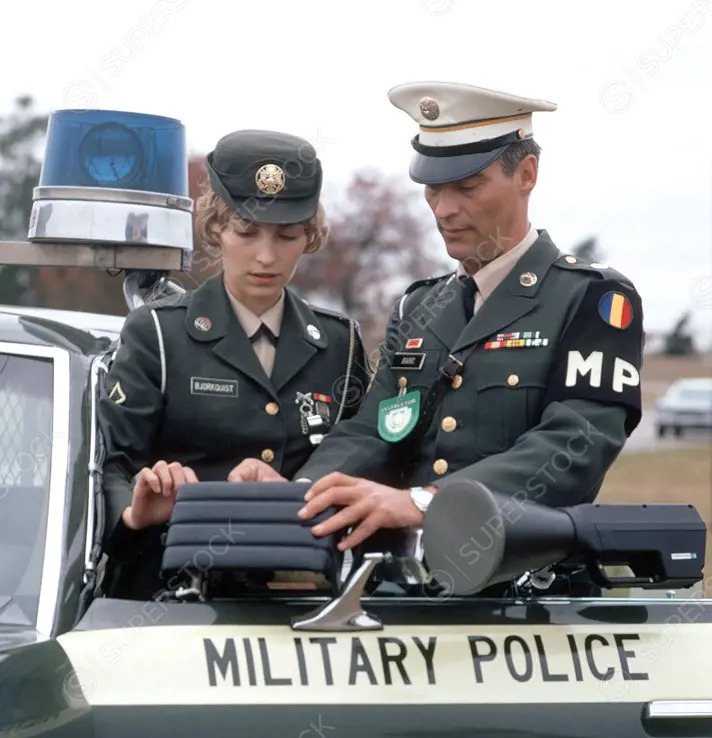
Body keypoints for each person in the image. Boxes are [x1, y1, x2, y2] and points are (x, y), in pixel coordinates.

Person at [228, 81, 644, 567]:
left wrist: (424, 500)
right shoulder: (420, 308)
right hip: (410, 586)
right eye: (433, 187)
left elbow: (574, 446)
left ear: (526, 174)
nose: (444, 209)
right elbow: (372, 432)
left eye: (467, 187)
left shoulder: (591, 298)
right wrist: (302, 494)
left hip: (526, 592)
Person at [97, 128, 371, 598]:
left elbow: (365, 469)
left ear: (309, 236)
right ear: (215, 228)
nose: (266, 255)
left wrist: (294, 494)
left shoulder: (338, 343)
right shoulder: (158, 334)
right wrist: (135, 512)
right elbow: (110, 466)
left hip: (304, 602)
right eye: (246, 232)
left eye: (287, 235)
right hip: (168, 602)